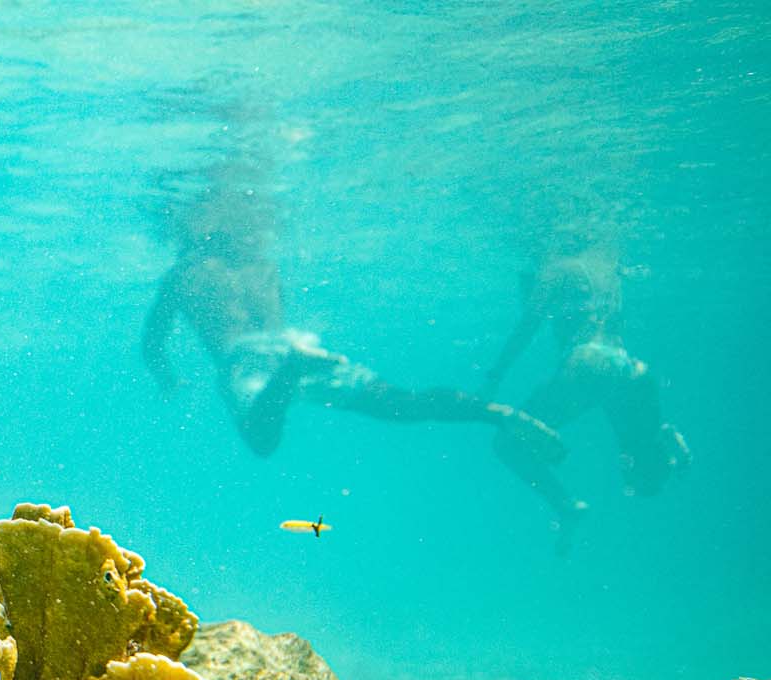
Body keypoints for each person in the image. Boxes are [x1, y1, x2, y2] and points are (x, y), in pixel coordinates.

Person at [142, 113, 563, 464]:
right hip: (290, 343)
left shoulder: (182, 275)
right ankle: (498, 414)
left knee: (261, 441)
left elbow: (153, 341)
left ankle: (292, 370)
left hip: (251, 362)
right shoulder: (259, 261)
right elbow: (273, 310)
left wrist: (167, 378)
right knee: (399, 404)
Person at [483, 224, 690, 552]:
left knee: (506, 443)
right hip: (631, 369)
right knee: (638, 448)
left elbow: (526, 328)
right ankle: (667, 443)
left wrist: (494, 375)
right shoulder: (605, 268)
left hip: (587, 366)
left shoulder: (555, 269)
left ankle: (566, 505)